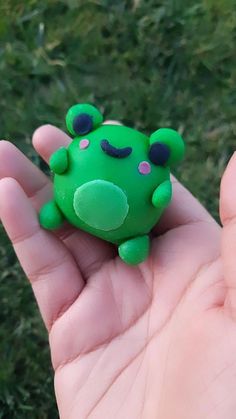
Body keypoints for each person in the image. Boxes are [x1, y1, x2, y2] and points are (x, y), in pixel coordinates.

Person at [0, 123, 236, 419]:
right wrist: (64, 160)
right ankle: (63, 213)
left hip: (128, 228)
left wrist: (158, 193)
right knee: (56, 210)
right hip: (71, 204)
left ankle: (126, 238)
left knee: (125, 240)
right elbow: (62, 160)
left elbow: (160, 194)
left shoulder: (151, 171)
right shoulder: (85, 151)